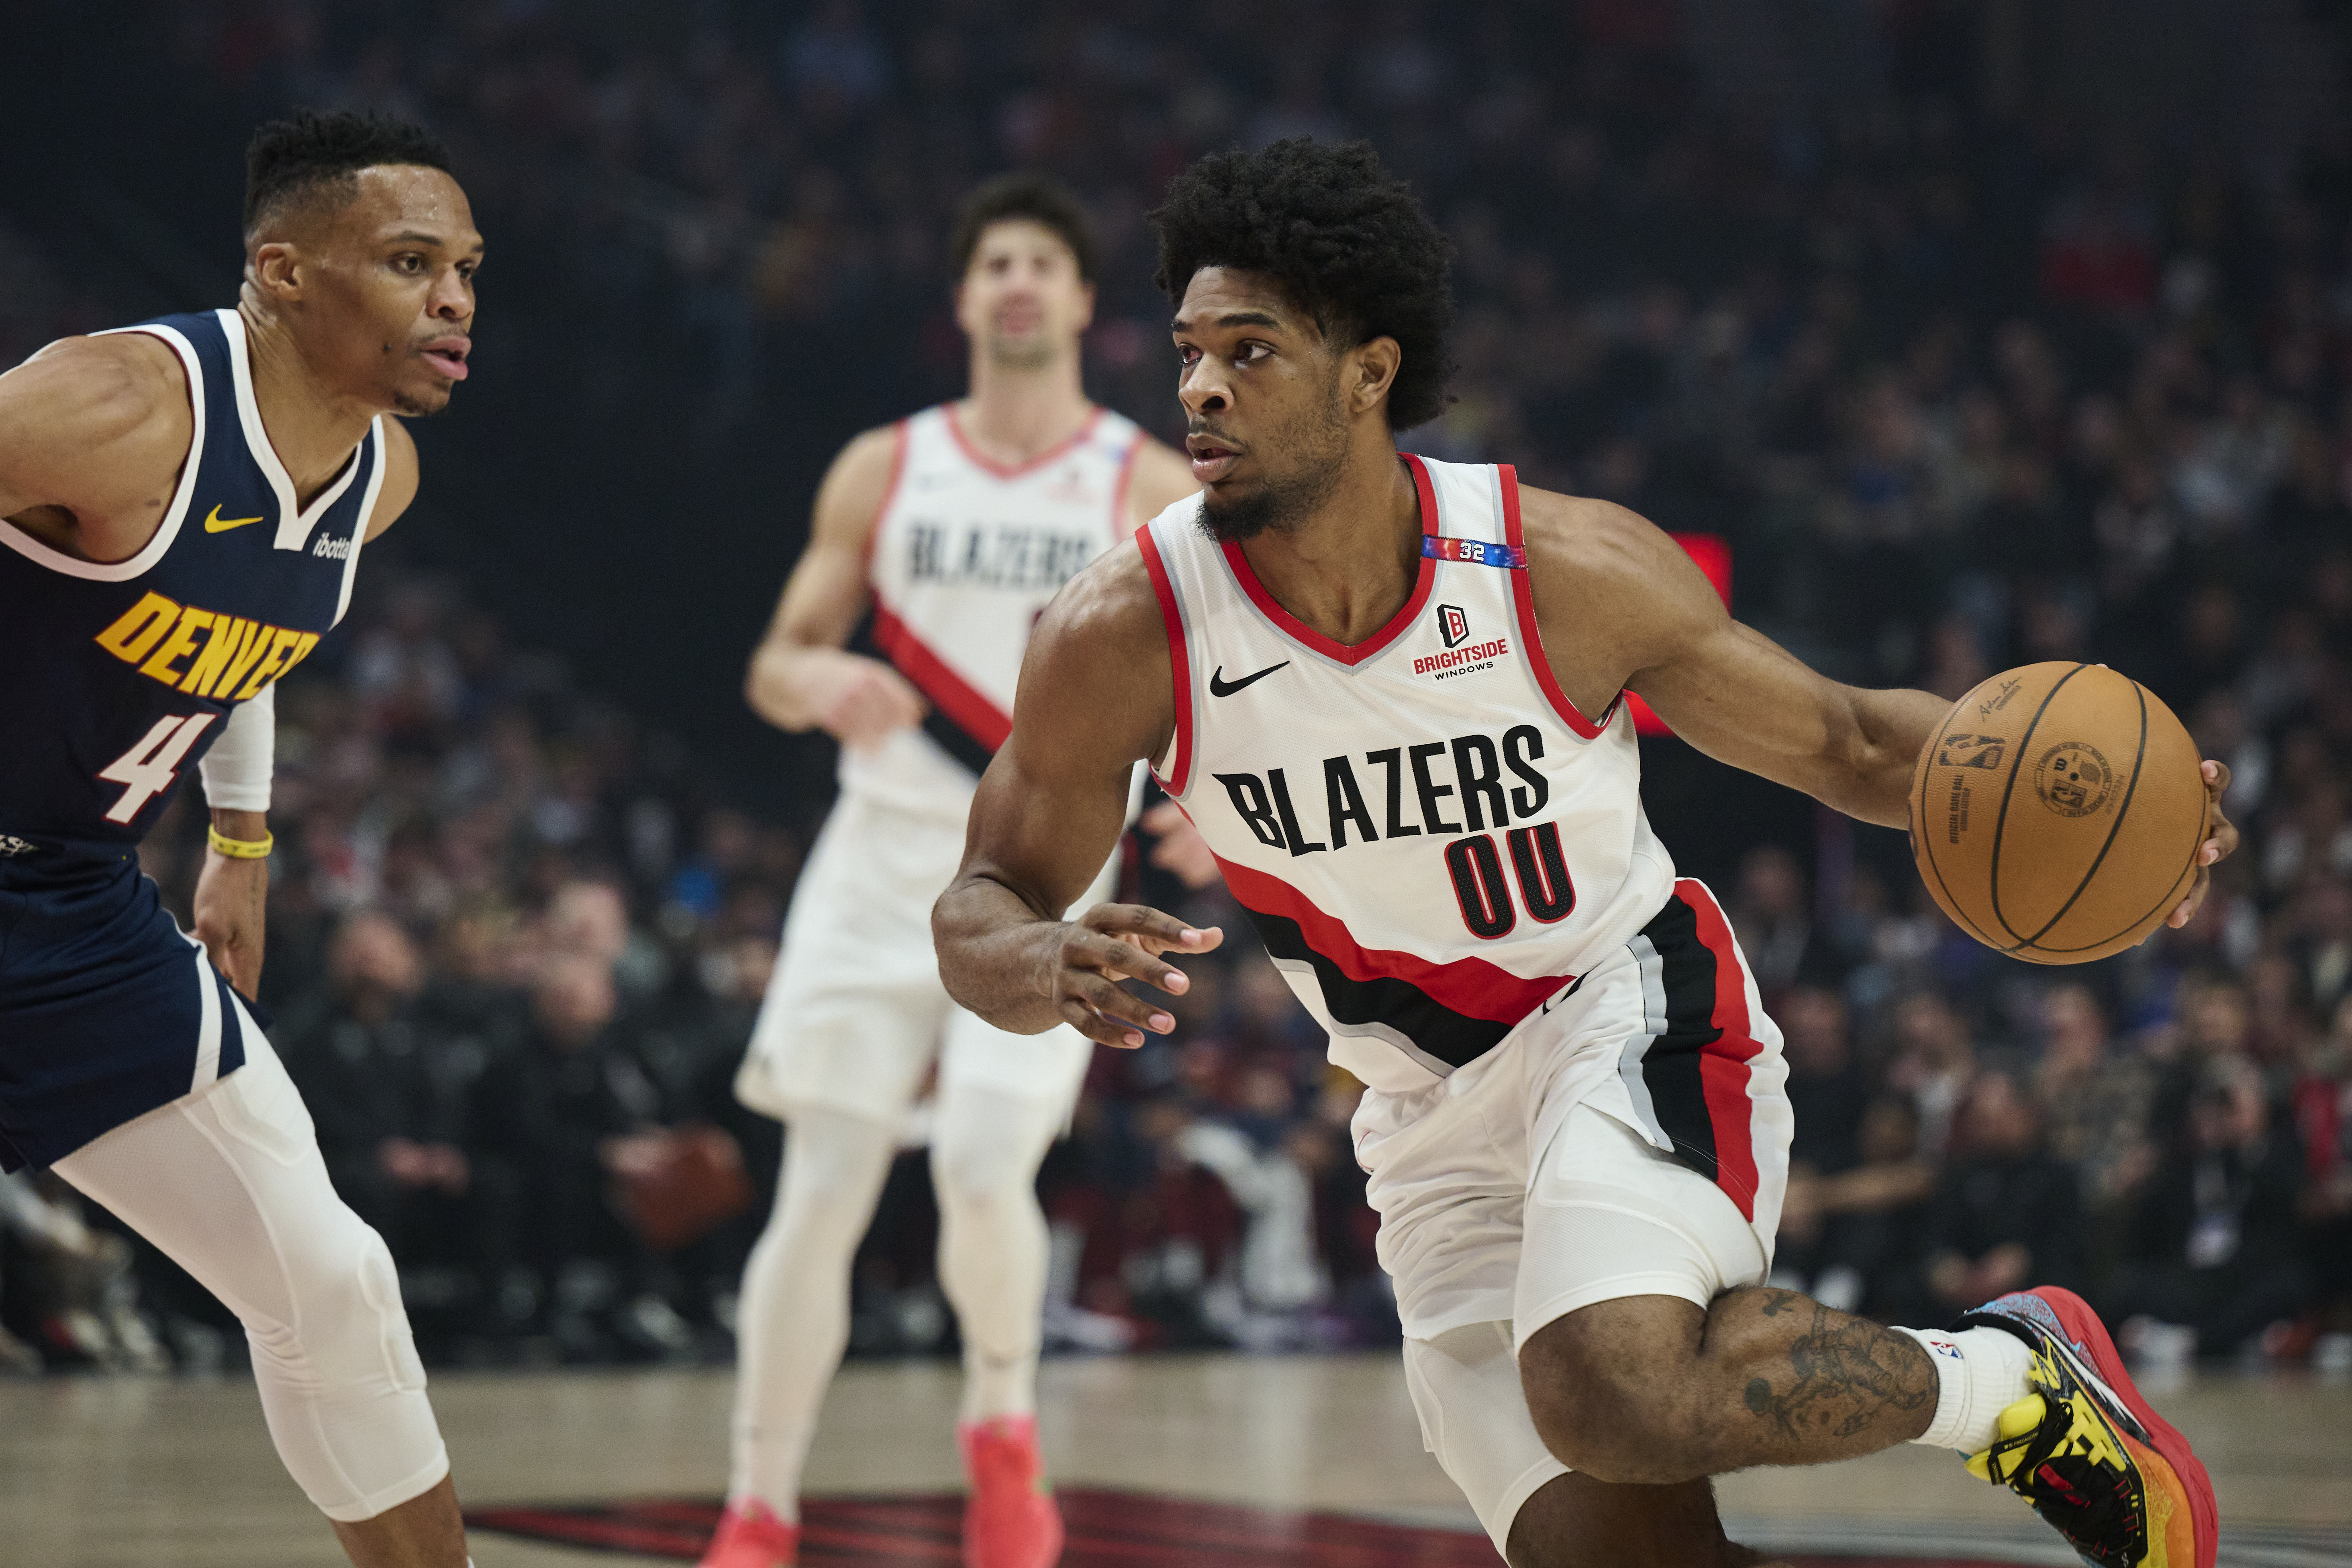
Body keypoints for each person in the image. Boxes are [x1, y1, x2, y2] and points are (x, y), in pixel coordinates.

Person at [933, 139, 2237, 1568]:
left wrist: (2126, 819)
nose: (1198, 388)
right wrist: (1043, 955)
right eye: (1189, 350)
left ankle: (2018, 1381)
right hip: (1424, 1114)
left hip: (1622, 1009)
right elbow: (977, 907)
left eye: (1249, 351)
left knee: (1610, 1388)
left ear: (1370, 373)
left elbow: (1856, 743)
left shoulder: (1554, 569)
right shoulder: (1124, 630)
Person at [0, 110, 479, 1566]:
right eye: (409, 262)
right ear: (281, 271)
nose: (454, 299)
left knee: (331, 1277)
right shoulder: (114, 404)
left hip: (77, 912)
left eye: (466, 268)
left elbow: (246, 629)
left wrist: (245, 833)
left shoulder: (377, 474)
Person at [702, 174, 1197, 1568]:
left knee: (987, 1167)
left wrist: (1209, 805)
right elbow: (776, 656)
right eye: (999, 262)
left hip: (1048, 863)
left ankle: (1002, 1428)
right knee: (822, 1185)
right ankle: (758, 1505)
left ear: (1085, 301)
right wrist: (819, 676)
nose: (1023, 281)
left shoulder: (1144, 481)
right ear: (967, 297)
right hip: (877, 857)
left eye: (1048, 260)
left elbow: (1222, 679)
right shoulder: (885, 463)